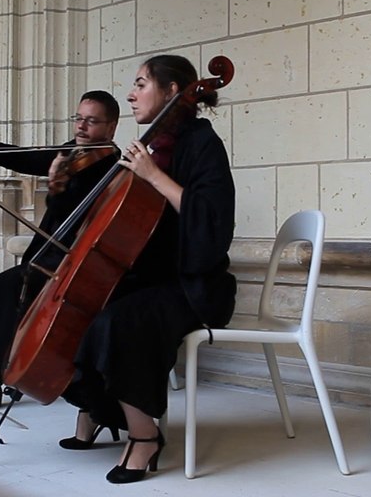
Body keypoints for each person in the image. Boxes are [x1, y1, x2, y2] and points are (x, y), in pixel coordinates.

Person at [58, 55, 236, 484]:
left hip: (196, 285)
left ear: (173, 91)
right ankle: (100, 412)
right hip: (154, 275)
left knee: (122, 321)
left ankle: (144, 436)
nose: (131, 94)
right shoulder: (155, 145)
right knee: (83, 308)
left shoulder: (200, 143)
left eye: (140, 84)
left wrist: (153, 175)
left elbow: (212, 225)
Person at [0, 90, 121, 415]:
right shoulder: (73, 153)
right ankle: (18, 365)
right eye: (78, 118)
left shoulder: (109, 167)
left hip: (70, 262)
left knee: (9, 292)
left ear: (111, 127)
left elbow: (76, 215)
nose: (81, 127)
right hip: (47, 257)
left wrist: (58, 189)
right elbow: (29, 156)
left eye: (91, 121)